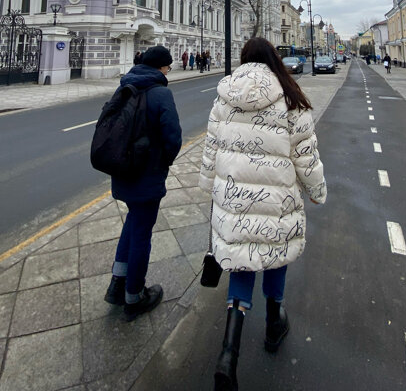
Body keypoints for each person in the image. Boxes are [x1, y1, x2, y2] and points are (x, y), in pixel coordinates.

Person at [199, 38, 327, 390]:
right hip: (276, 199)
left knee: (242, 259)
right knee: (274, 253)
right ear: (274, 58)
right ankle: (274, 320)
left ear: (244, 60)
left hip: (234, 198)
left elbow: (211, 148)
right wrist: (317, 191)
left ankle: (229, 351)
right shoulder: (290, 97)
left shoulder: (224, 96)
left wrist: (208, 183)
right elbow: (305, 155)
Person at [105, 46, 182, 321]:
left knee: (133, 222)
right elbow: (173, 137)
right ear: (162, 67)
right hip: (147, 173)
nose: (168, 72)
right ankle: (134, 296)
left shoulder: (124, 88)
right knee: (141, 234)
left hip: (122, 168)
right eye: (168, 67)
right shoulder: (161, 93)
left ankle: (117, 283)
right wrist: (164, 162)